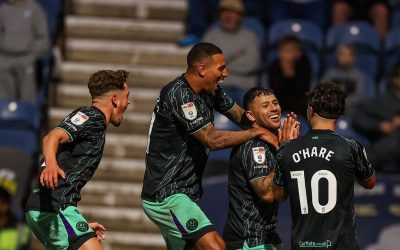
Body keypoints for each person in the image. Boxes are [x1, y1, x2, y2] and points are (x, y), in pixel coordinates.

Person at [141, 42, 278, 250]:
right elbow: (211, 139)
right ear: (202, 70)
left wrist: (273, 131)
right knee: (215, 246)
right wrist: (257, 132)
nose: (226, 73)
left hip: (184, 194)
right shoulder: (180, 95)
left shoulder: (210, 90)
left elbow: (241, 117)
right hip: (167, 193)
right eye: (221, 68)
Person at [25, 69, 131, 250]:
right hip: (55, 207)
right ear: (115, 100)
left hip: (50, 208)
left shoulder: (92, 122)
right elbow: (51, 137)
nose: (128, 102)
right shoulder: (92, 117)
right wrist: (51, 164)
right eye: (127, 96)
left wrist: (81, 226)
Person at [273, 83, 376, 250]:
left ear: (311, 110)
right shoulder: (351, 147)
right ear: (340, 114)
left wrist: (283, 151)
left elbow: (278, 196)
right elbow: (369, 183)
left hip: (303, 246)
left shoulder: (287, 149)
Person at [223, 87, 299, 250]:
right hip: (247, 241)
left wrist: (289, 151)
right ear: (250, 115)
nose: (274, 108)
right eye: (265, 106)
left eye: (275, 103)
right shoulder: (254, 146)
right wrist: (285, 151)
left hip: (268, 238)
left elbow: (283, 193)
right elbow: (267, 193)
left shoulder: (273, 145)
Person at [351, 63, 400, 172]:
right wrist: (379, 126)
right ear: (395, 80)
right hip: (387, 146)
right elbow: (357, 116)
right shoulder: (383, 101)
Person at [202, 0, 261, 90]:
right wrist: (237, 56)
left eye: (233, 12)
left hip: (244, 87)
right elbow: (204, 63)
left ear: (241, 16)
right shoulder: (211, 35)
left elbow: (252, 64)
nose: (228, 16)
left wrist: (220, 63)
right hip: (217, 87)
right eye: (224, 11)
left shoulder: (250, 36)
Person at [0, 0, 50, 104]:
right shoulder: (3, 9)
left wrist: (31, 56)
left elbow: (43, 39)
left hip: (26, 59)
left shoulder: (34, 9)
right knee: (3, 100)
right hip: (4, 58)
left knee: (27, 99)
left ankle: (28, 118)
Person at [268, 35, 311, 117]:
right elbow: (275, 89)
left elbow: (302, 89)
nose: (284, 54)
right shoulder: (275, 65)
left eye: (289, 51)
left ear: (298, 53)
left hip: (299, 100)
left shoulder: (304, 63)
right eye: (282, 50)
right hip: (281, 99)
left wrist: (290, 72)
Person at [321, 43, 366, 113]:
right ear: (337, 56)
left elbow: (359, 97)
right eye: (342, 55)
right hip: (331, 108)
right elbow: (322, 91)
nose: (345, 58)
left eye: (348, 55)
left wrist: (341, 103)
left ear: (353, 58)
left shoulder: (359, 76)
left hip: (351, 110)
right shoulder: (330, 74)